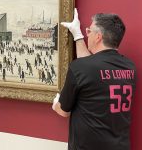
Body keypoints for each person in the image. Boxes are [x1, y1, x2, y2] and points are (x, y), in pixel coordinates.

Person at [52, 9, 136, 150]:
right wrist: (77, 35)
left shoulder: (81, 67)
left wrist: (56, 104)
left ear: (98, 37)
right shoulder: (130, 67)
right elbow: (91, 67)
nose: (87, 34)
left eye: (89, 31)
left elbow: (63, 111)